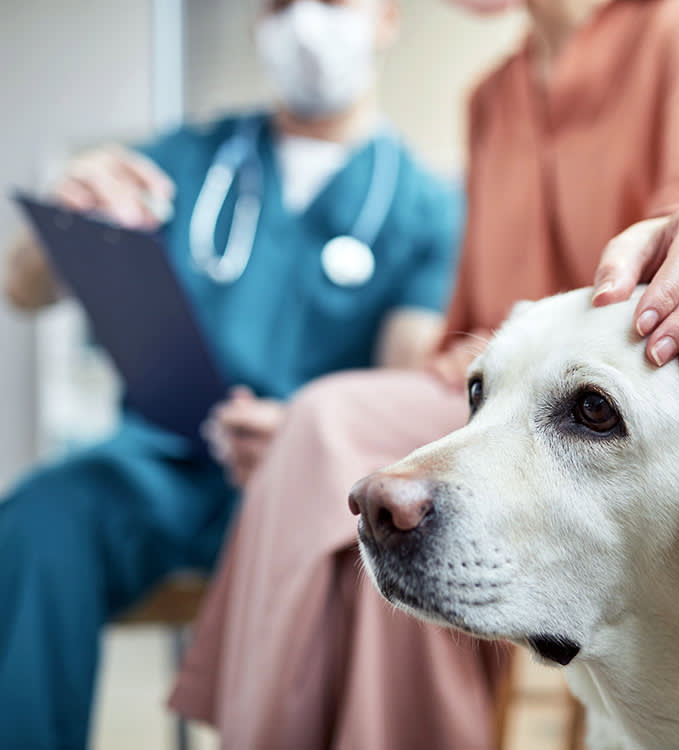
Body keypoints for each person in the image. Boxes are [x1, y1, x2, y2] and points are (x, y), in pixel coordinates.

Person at [168, 0, 679, 748]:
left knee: (329, 427)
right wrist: (341, 427)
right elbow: (471, 333)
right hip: (491, 400)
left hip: (619, 411)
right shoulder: (490, 99)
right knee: (341, 465)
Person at [0, 2, 464, 748]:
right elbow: (22, 289)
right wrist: (65, 213)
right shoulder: (189, 160)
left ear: (386, 16)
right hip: (159, 469)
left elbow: (401, 375)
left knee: (366, 580)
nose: (304, 22)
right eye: (279, 2)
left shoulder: (427, 207)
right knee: (38, 521)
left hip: (309, 486)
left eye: (332, 2)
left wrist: (303, 436)